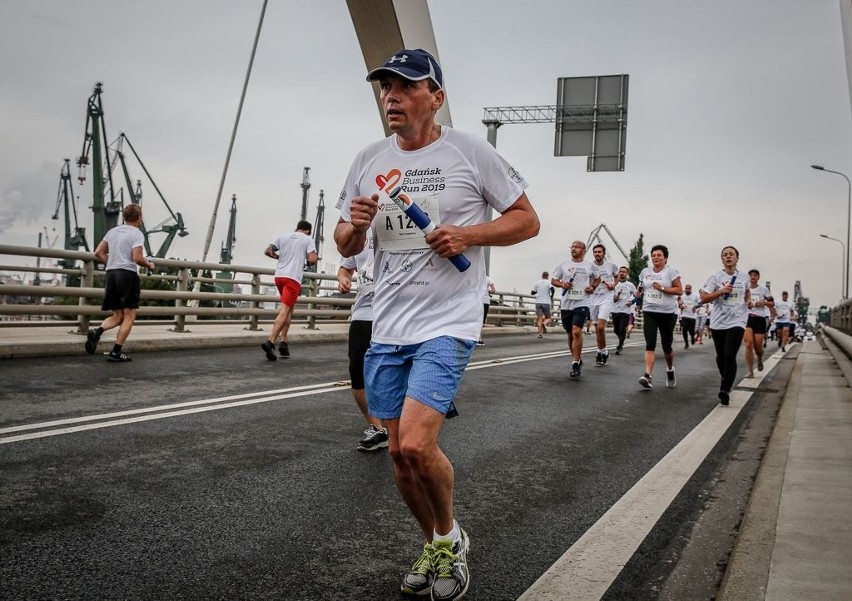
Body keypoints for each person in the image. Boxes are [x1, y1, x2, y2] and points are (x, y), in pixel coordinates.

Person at [334, 48, 539, 601]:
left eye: (404, 86)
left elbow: (527, 220)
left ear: (436, 97)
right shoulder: (368, 159)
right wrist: (354, 227)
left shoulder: (470, 151)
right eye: (385, 87)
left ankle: (450, 537)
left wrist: (467, 235)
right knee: (399, 455)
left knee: (420, 445)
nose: (391, 96)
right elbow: (345, 244)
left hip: (448, 320)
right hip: (387, 322)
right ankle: (435, 544)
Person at [84, 203, 156, 362]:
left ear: (124, 217)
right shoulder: (136, 234)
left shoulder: (112, 231)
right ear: (138, 217)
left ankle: (97, 332)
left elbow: (98, 253)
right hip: (127, 276)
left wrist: (113, 263)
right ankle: (116, 352)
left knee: (118, 315)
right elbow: (137, 258)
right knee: (129, 315)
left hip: (111, 275)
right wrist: (149, 264)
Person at [337, 230, 388, 452]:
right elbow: (346, 265)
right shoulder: (359, 233)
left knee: (394, 371)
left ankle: (404, 423)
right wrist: (344, 278)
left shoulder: (400, 222)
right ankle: (377, 428)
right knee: (357, 369)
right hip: (364, 312)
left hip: (396, 311)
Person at [260, 220, 318, 361]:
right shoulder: (308, 239)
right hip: (293, 278)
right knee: (285, 309)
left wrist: (279, 257)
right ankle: (271, 341)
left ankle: (284, 343)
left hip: (279, 276)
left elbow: (268, 251)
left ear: (297, 228)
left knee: (289, 309)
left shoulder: (282, 236)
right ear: (308, 230)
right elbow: (313, 259)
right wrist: (306, 262)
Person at [700, 246, 750, 405]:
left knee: (730, 354)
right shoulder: (715, 277)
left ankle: (725, 389)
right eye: (725, 255)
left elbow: (747, 291)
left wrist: (748, 300)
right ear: (722, 259)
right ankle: (726, 377)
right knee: (721, 357)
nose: (728, 257)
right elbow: (704, 298)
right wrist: (721, 291)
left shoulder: (743, 277)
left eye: (731, 254)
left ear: (737, 258)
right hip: (718, 321)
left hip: (738, 319)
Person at [636, 244, 682, 389]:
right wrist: (639, 293)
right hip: (649, 310)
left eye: (659, 255)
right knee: (650, 344)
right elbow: (641, 287)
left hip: (667, 313)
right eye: (653, 255)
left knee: (666, 346)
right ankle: (648, 376)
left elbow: (679, 290)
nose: (656, 257)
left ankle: (670, 369)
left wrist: (662, 288)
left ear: (665, 258)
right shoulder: (645, 271)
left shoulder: (671, 271)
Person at [552, 241, 599, 378]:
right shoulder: (563, 265)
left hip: (583, 302)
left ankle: (575, 363)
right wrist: (562, 284)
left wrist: (593, 287)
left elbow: (597, 279)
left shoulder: (589, 266)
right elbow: (554, 280)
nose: (573, 249)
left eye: (577, 247)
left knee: (577, 331)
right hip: (567, 303)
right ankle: (577, 358)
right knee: (570, 334)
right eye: (572, 247)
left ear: (584, 250)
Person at [589, 243, 619, 365]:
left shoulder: (611, 266)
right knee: (597, 328)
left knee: (601, 326)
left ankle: (602, 350)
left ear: (604, 253)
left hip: (606, 297)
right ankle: (602, 350)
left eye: (599, 252)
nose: (597, 254)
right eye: (595, 252)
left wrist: (614, 285)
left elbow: (616, 277)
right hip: (593, 298)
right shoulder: (589, 266)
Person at [743, 269, 774, 378]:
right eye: (751, 275)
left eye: (755, 275)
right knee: (748, 344)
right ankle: (750, 371)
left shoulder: (763, 289)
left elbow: (772, 303)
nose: (753, 276)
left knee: (758, 347)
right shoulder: (744, 288)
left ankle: (760, 357)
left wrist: (764, 302)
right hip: (746, 318)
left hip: (759, 318)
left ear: (758, 277)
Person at [610, 266, 637, 354]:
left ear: (627, 274)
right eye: (620, 271)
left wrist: (632, 302)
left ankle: (620, 346)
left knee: (622, 328)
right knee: (616, 329)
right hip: (615, 309)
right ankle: (622, 338)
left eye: (624, 272)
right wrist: (614, 298)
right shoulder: (614, 284)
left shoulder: (630, 285)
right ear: (618, 273)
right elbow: (608, 295)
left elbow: (637, 296)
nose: (622, 273)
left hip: (625, 310)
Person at [531, 271, 554, 338]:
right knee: (548, 318)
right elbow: (552, 289)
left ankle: (540, 334)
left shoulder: (537, 283)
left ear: (542, 276)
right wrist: (552, 296)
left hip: (538, 302)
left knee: (539, 319)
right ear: (547, 276)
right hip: (546, 302)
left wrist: (537, 291)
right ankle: (544, 323)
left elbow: (532, 292)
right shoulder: (549, 282)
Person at [678, 284, 701, 349]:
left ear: (691, 289)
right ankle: (686, 343)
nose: (687, 290)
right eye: (686, 288)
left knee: (691, 330)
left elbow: (701, 303)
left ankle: (692, 338)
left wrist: (695, 307)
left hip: (692, 316)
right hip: (684, 315)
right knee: (684, 329)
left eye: (688, 289)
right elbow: (679, 305)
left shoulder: (695, 296)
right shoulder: (682, 296)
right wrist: (681, 306)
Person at [477, 275, 496, 346]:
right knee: (482, 321)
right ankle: (480, 339)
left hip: (476, 301)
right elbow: (494, 290)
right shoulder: (488, 279)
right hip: (485, 301)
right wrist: (488, 291)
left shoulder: (476, 277)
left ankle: (473, 337)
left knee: (475, 319)